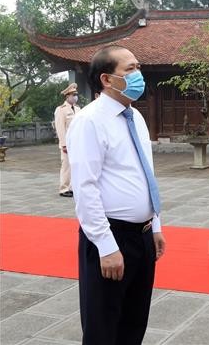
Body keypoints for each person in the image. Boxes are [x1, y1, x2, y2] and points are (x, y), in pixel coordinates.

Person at [66, 45, 166, 345]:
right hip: (112, 236)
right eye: (130, 70)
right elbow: (85, 188)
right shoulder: (90, 121)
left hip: (143, 235)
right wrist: (106, 246)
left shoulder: (135, 117)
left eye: (139, 67)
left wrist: (156, 225)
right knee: (103, 326)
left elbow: (145, 173)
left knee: (134, 322)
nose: (139, 75)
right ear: (107, 79)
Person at [53, 83, 80, 197]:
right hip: (67, 143)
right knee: (66, 165)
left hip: (77, 142)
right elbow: (60, 128)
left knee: (76, 165)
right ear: (67, 96)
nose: (75, 97)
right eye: (73, 95)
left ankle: (72, 187)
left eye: (76, 94)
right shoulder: (61, 110)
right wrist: (63, 144)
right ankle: (64, 188)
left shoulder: (78, 109)